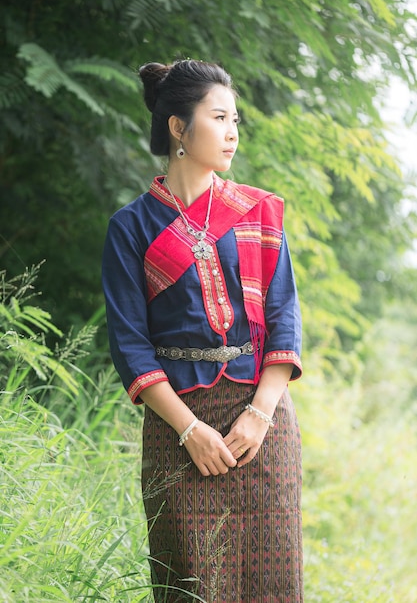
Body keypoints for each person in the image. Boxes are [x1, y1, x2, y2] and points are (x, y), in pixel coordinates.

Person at [102, 59, 303, 603]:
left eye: (235, 119)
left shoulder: (257, 213)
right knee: (190, 585)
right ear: (178, 127)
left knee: (272, 584)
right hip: (177, 430)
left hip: (261, 426)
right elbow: (131, 345)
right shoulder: (131, 227)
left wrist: (260, 416)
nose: (233, 131)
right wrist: (190, 431)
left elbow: (284, 318)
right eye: (219, 117)